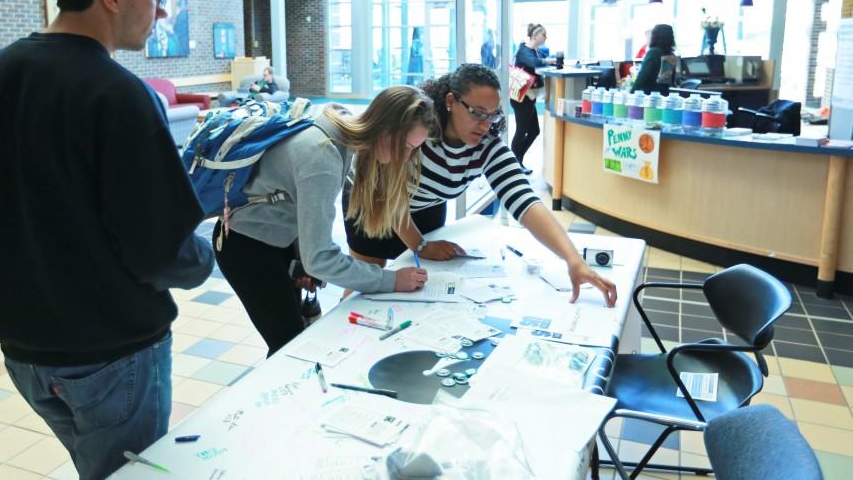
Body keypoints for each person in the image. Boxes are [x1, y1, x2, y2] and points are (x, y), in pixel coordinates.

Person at [0, 0, 214, 480]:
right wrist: (207, 255)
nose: (161, 12)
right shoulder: (117, 94)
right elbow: (162, 248)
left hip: (24, 353)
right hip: (110, 354)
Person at [345, 64, 617, 306]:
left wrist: (573, 260)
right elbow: (386, 194)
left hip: (424, 205)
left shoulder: (486, 147)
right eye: (477, 113)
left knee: (421, 288)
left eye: (493, 115)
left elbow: (525, 201)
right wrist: (419, 245)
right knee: (366, 285)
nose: (485, 124)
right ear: (451, 101)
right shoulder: (420, 133)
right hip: (375, 202)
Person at [214, 86, 436, 355]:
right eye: (406, 146)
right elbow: (320, 258)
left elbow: (292, 203)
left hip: (278, 240)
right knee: (289, 349)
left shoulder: (340, 124)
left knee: (294, 340)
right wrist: (391, 280)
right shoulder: (322, 155)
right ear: (384, 127)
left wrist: (301, 259)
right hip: (245, 246)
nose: (406, 157)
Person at [511, 23, 551, 175]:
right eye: (544, 35)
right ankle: (515, 164)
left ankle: (517, 161)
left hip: (529, 98)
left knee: (534, 131)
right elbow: (533, 64)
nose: (546, 37)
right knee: (521, 131)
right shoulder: (524, 51)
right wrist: (549, 62)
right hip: (521, 98)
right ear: (535, 36)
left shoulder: (535, 52)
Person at [632, 24, 677, 94]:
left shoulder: (653, 53)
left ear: (655, 36)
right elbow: (666, 81)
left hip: (649, 96)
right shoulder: (671, 55)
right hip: (663, 95)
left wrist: (632, 92)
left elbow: (643, 75)